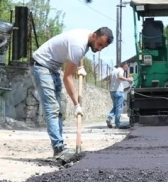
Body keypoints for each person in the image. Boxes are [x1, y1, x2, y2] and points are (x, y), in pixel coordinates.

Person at [32, 27, 113, 160]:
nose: (99, 49)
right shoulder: (79, 44)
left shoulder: (86, 40)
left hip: (53, 67)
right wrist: (76, 105)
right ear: (94, 36)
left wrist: (80, 66)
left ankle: (60, 146)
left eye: (102, 47)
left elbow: (78, 54)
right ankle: (58, 149)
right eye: (99, 44)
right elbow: (67, 77)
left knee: (58, 110)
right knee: (52, 109)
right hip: (41, 66)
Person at [106, 61, 134, 129]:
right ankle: (117, 124)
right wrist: (128, 79)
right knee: (119, 108)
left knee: (115, 107)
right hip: (118, 92)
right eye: (127, 67)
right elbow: (120, 77)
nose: (127, 69)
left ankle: (109, 118)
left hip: (112, 91)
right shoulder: (121, 70)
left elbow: (110, 81)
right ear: (125, 66)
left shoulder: (113, 71)